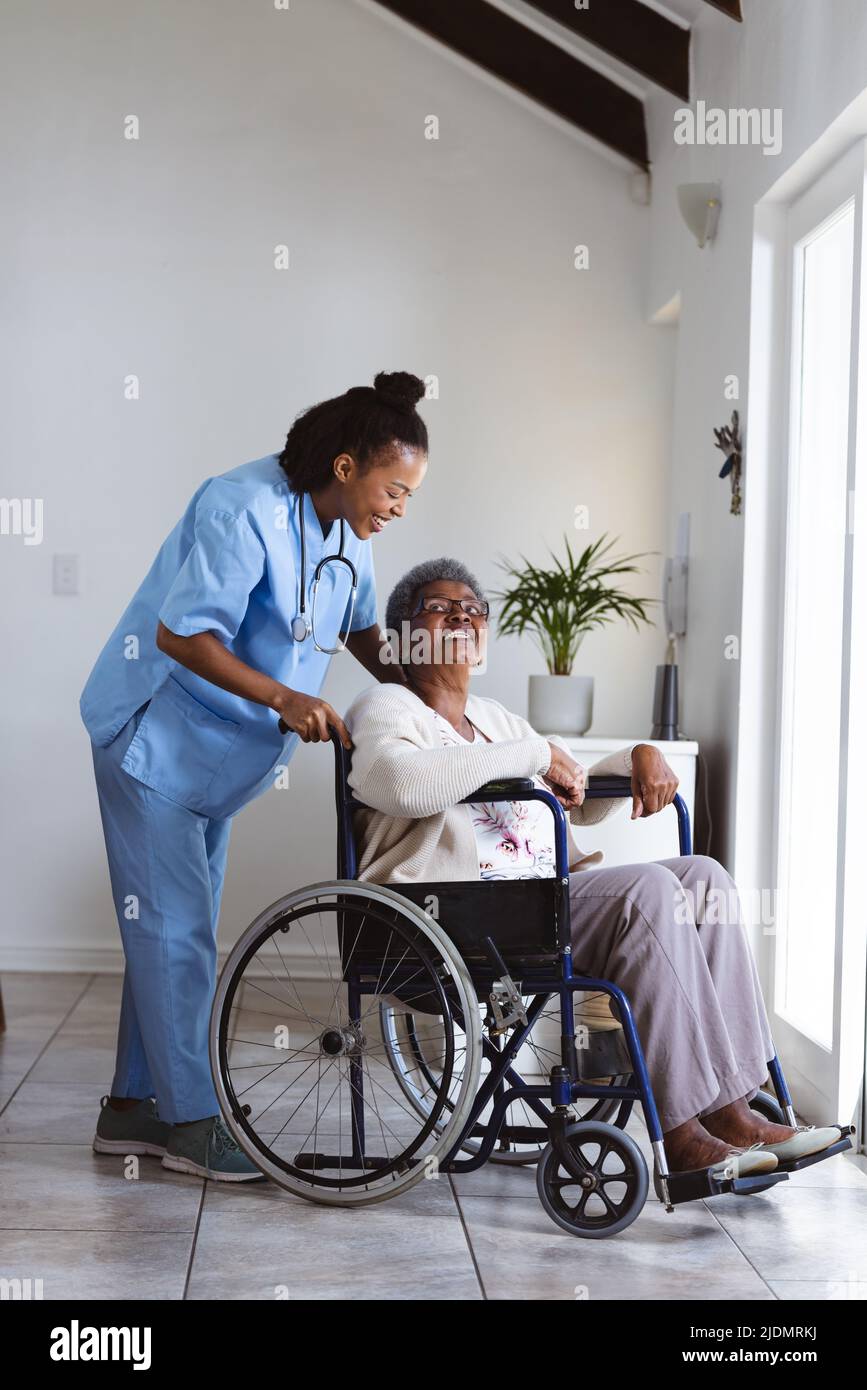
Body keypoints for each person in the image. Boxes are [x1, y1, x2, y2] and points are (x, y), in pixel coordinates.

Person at [344, 557, 842, 1179]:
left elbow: (570, 796)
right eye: (443, 608)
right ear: (400, 639)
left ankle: (734, 1107)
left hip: (535, 904)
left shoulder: (496, 720)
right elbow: (399, 783)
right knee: (648, 891)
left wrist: (637, 756)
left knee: (704, 879)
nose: (464, 617)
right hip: (453, 912)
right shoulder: (386, 706)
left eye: (475, 609)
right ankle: (682, 1132)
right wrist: (533, 753)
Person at [81, 372, 428, 1180]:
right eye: (394, 489)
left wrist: (432, 704)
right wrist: (283, 695)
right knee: (178, 938)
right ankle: (195, 1122)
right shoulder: (243, 506)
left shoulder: (349, 530)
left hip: (221, 760)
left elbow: (362, 630)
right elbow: (181, 634)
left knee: (167, 934)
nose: (398, 508)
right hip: (155, 739)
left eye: (409, 496)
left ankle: (134, 1110)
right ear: (346, 466)